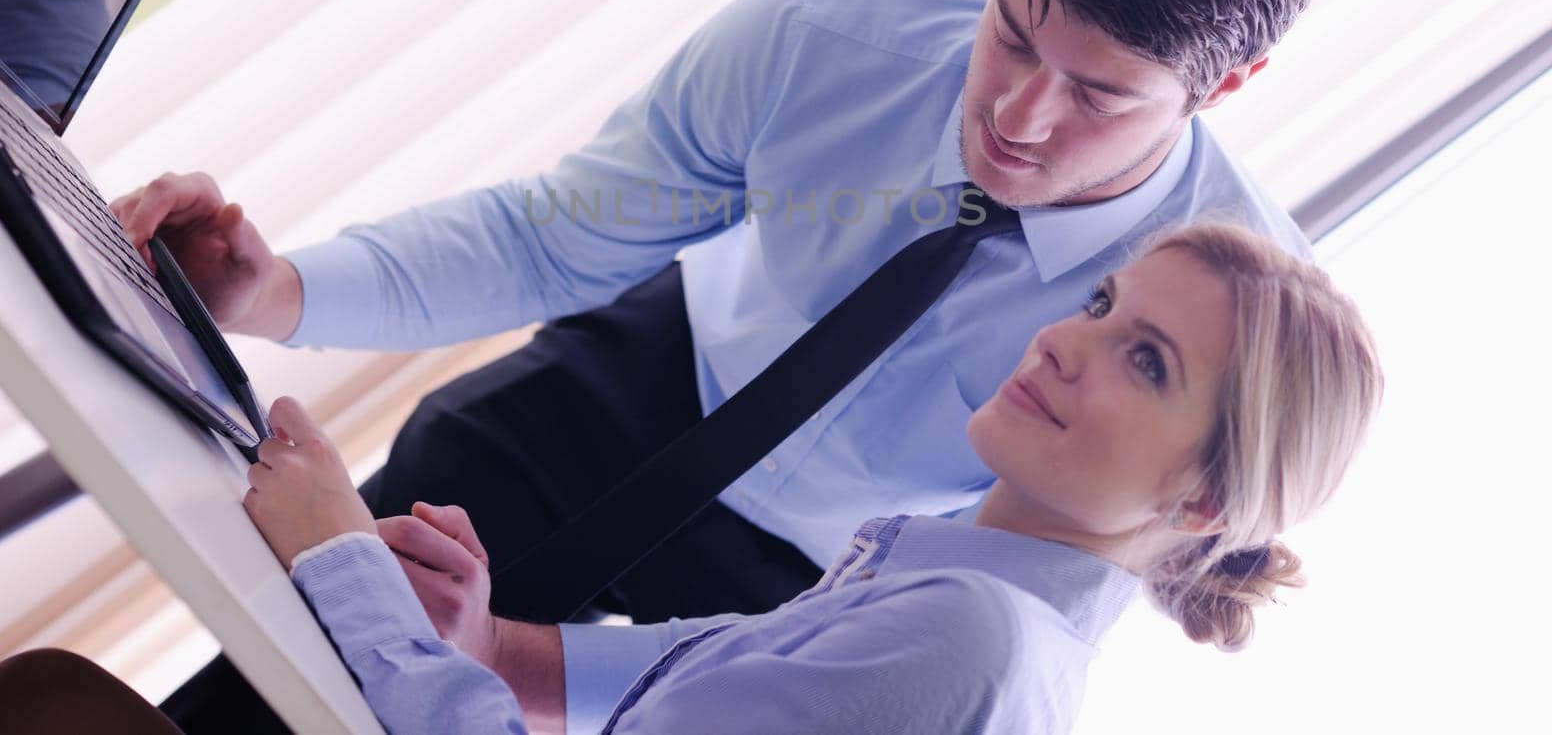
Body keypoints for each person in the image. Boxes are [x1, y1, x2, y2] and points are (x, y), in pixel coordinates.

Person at [120, 0, 1336, 730]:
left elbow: (1072, 561)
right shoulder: (822, 36)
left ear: (1226, 83)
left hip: (826, 584)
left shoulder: (1219, 327)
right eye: (1012, 34)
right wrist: (277, 290)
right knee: (272, 682)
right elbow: (554, 236)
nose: (1018, 121)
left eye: (1099, 95)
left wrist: (532, 671)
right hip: (635, 388)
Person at [234, 222, 1382, 733]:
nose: (1064, 343)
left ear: (1199, 504)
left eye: (1145, 360)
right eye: (1099, 304)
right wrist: (478, 645)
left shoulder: (965, 641)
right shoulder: (975, 617)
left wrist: (344, 563)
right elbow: (689, 678)